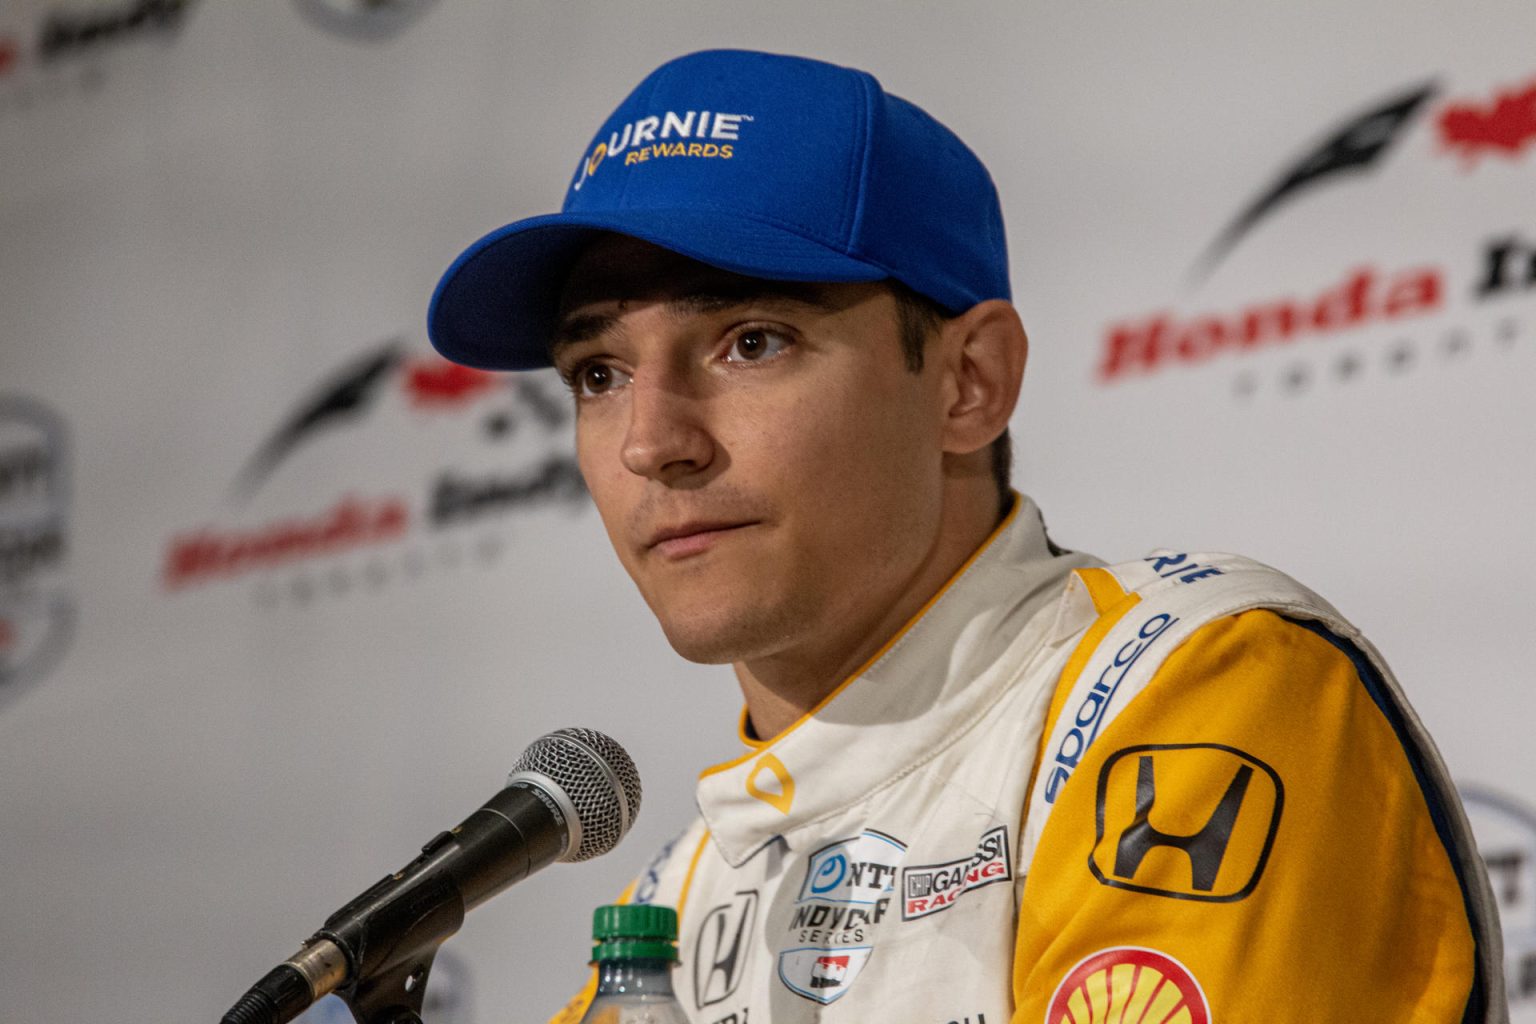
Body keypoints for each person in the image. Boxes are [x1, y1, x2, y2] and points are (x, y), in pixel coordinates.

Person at [428, 49, 1506, 1023]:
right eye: (598, 375)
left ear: (968, 381)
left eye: (751, 341)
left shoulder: (1195, 683)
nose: (650, 441)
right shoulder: (676, 899)